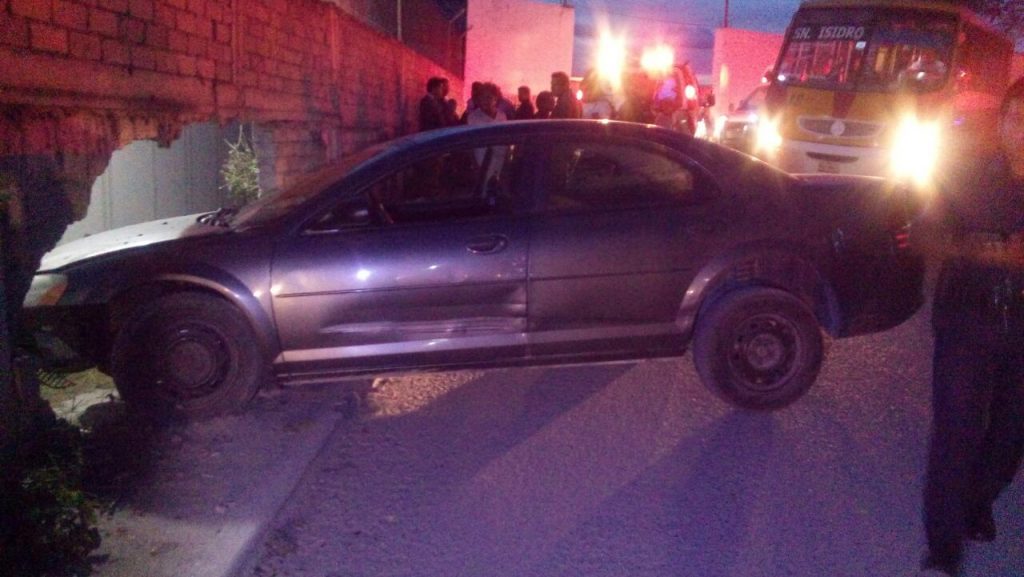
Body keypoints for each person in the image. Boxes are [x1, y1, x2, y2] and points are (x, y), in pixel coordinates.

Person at [918, 76, 1024, 577]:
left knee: (1009, 439)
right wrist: (986, 249)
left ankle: (976, 500)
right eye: (1018, 119)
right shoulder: (971, 172)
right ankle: (943, 551)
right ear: (1002, 122)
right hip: (967, 318)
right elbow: (927, 229)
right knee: (955, 435)